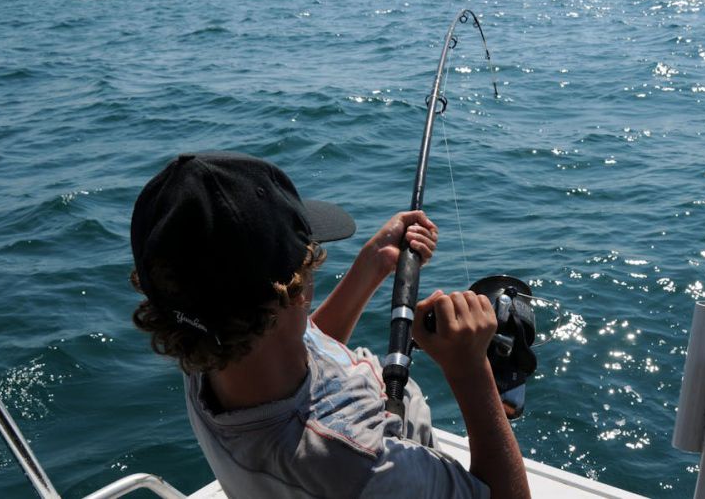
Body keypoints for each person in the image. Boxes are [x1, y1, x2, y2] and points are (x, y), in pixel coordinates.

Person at [129, 151, 530, 498]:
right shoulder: (361, 465)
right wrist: (470, 370)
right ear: (292, 291)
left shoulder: (206, 345)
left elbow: (297, 348)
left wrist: (373, 264)